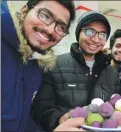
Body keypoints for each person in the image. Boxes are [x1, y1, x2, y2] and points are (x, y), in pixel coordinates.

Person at [30, 11, 121, 131]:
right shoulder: (55, 65)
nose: (95, 39)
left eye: (102, 35)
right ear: (78, 33)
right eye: (90, 31)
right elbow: (40, 108)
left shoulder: (111, 72)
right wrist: (59, 119)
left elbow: (114, 106)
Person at [1, 1, 75, 132]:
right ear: (24, 11)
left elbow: (23, 120)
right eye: (45, 16)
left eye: (61, 27)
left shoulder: (38, 64)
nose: (50, 30)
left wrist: (58, 122)